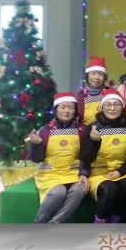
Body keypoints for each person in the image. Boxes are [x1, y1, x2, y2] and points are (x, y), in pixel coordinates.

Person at [80, 89, 126, 224]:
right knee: (110, 190)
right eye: (108, 105)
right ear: (102, 108)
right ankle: (100, 223)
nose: (112, 108)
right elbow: (86, 158)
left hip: (123, 172)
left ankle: (114, 221)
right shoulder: (92, 128)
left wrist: (120, 172)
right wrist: (94, 142)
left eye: (116, 104)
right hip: (99, 174)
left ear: (122, 107)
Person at [30, 92, 88, 224]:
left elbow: (85, 155)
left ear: (75, 110)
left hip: (73, 173)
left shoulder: (82, 130)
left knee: (81, 188)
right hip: (50, 174)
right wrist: (36, 144)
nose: (66, 111)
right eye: (63, 107)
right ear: (56, 109)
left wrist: (83, 173)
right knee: (59, 192)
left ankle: (56, 223)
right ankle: (39, 222)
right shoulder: (45, 130)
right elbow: (37, 159)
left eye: (71, 107)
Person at [77, 56, 110, 126]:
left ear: (104, 78)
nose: (97, 77)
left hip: (107, 130)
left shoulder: (110, 93)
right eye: (93, 74)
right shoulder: (80, 95)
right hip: (86, 130)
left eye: (101, 74)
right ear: (87, 76)